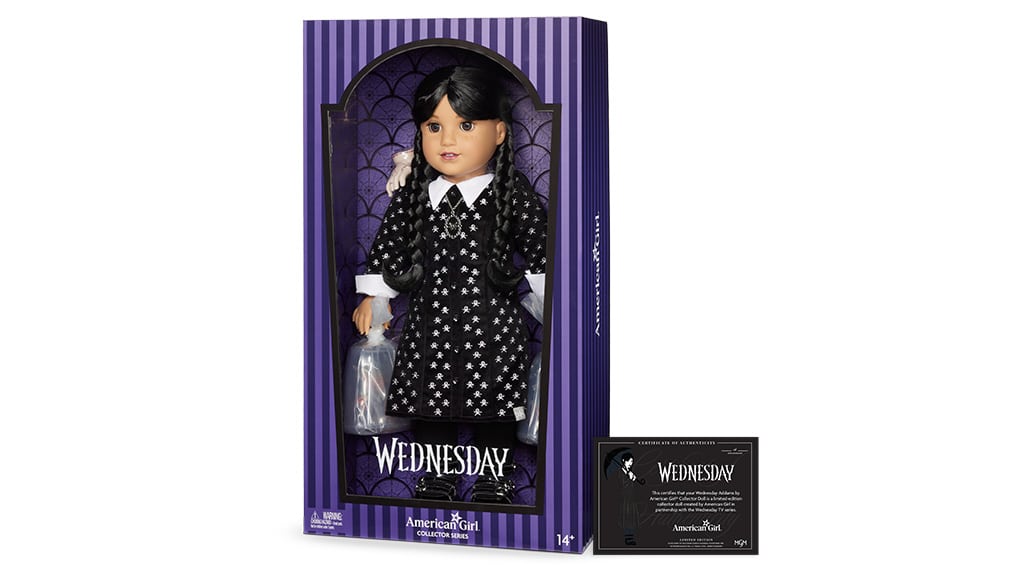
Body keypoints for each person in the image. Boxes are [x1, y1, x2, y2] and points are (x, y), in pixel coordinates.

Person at [352, 65, 547, 503]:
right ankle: (437, 476)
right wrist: (374, 296)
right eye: (434, 126)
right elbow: (389, 246)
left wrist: (550, 303)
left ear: (499, 132)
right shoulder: (416, 195)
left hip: (493, 327)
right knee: (430, 402)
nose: (448, 140)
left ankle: (493, 478)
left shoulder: (508, 192)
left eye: (466, 125)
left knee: (496, 405)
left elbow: (540, 246)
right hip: (430, 325)